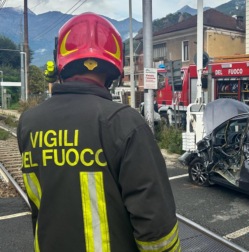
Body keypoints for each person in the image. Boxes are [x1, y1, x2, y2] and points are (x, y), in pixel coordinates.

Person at [17, 13, 180, 252]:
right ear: (114, 68)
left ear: (61, 62)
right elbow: (157, 230)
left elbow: (39, 205)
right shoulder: (125, 123)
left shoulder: (29, 123)